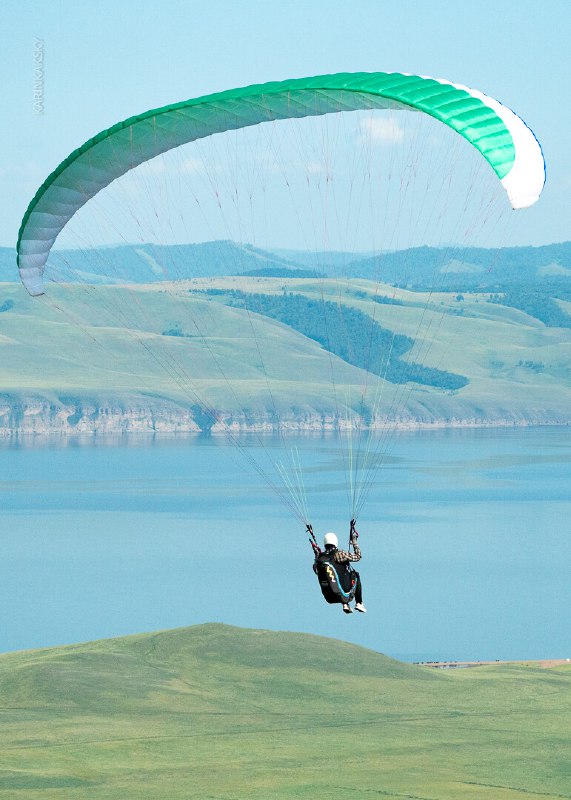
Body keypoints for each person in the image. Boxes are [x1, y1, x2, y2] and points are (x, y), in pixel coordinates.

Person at [309, 519, 366, 614]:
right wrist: (354, 542)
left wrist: (316, 555)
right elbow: (358, 556)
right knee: (355, 575)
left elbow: (316, 571)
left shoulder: (320, 558)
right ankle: (359, 603)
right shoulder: (340, 554)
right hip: (343, 592)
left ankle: (345, 604)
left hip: (329, 596)